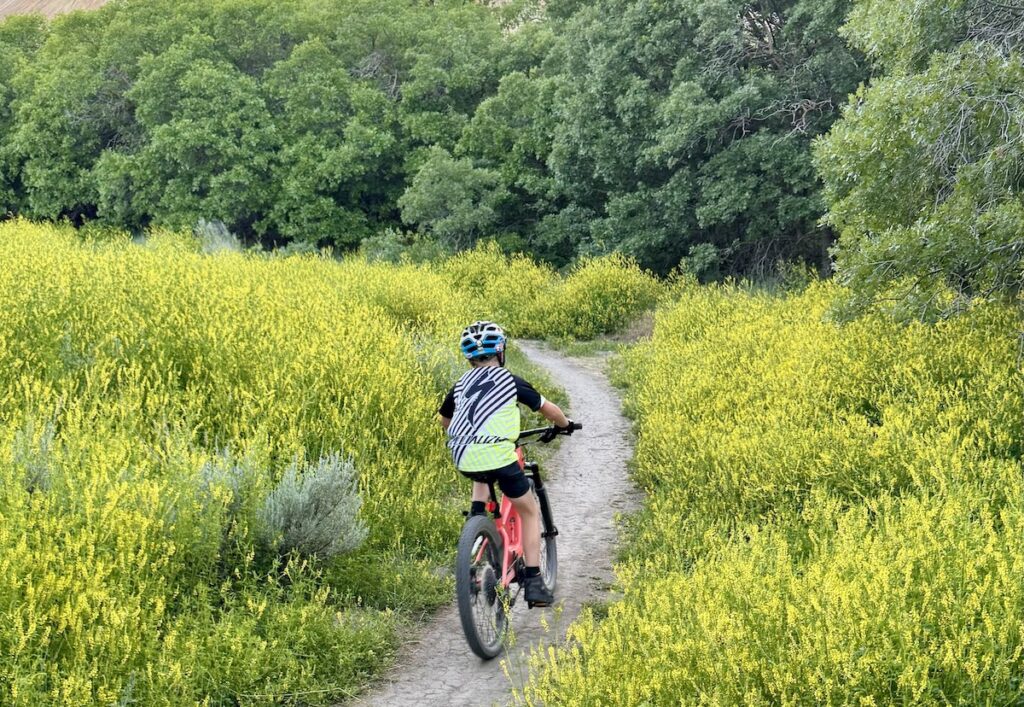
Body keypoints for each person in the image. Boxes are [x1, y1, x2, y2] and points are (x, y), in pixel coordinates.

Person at [439, 321, 574, 607]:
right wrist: (565, 425)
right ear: (500, 352)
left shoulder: (460, 385)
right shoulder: (510, 380)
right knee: (528, 510)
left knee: (481, 469)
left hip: (464, 457)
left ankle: (476, 521)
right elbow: (549, 410)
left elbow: (445, 421)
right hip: (501, 456)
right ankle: (535, 580)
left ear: (469, 357)